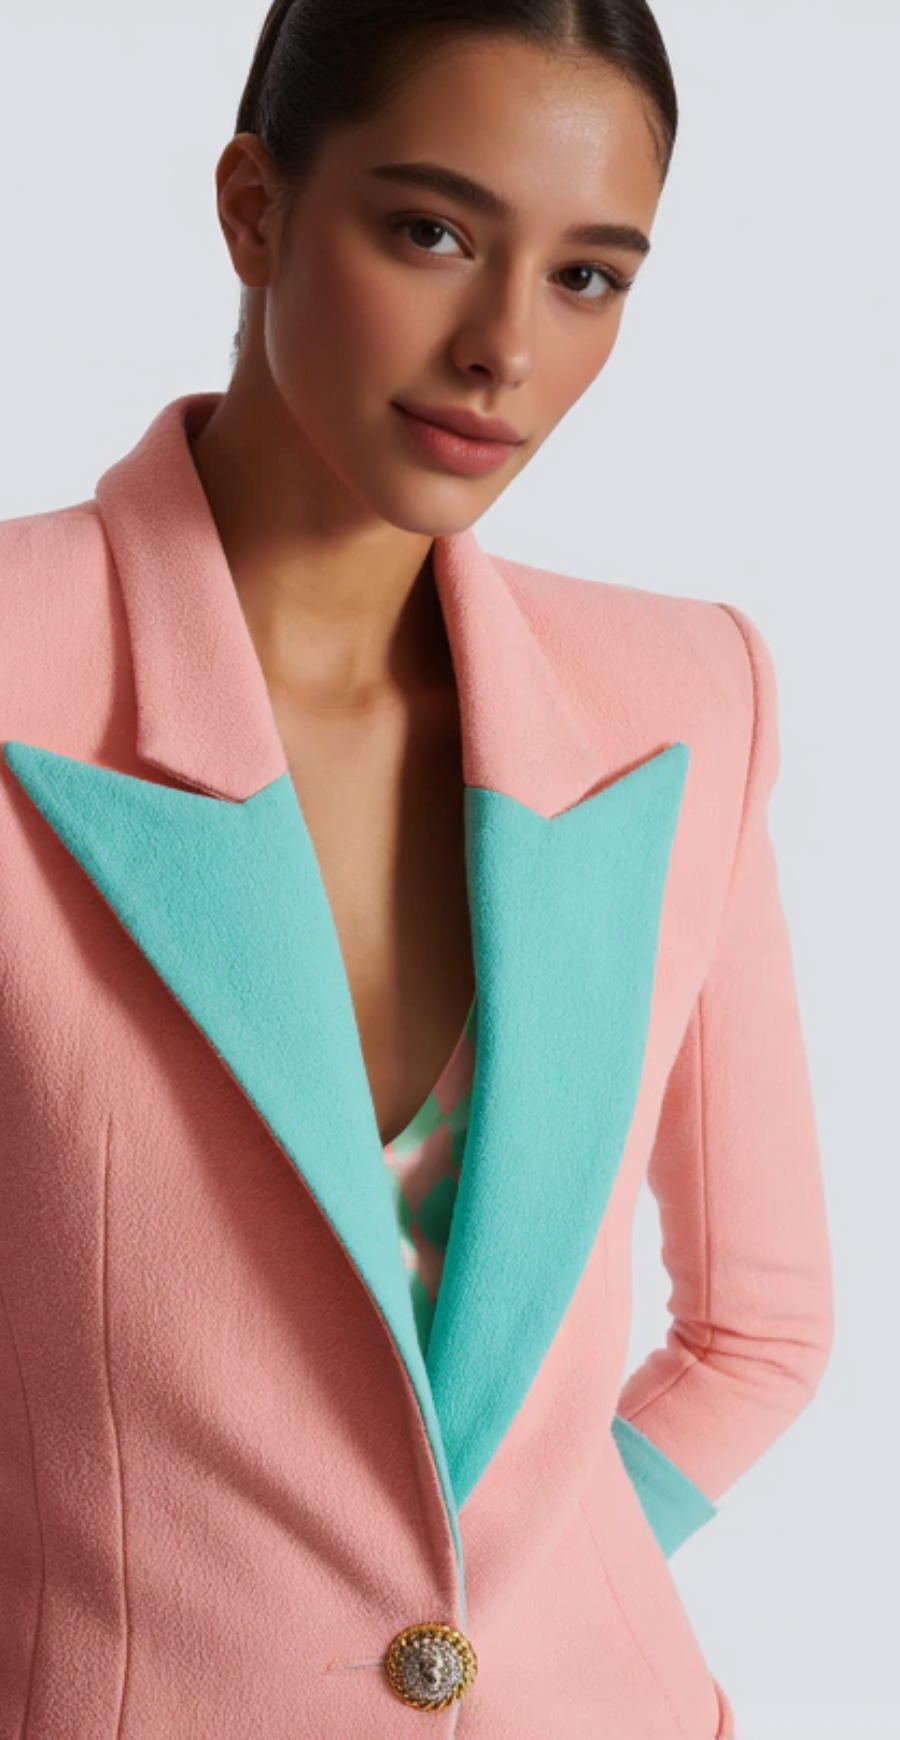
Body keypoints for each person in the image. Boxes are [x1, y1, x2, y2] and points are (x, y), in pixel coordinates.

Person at [0, 1, 834, 1734]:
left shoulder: (684, 696)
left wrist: (523, 1593)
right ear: (255, 210)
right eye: (434, 233)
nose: (504, 349)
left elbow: (760, 1328)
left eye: (586, 277)